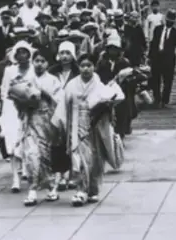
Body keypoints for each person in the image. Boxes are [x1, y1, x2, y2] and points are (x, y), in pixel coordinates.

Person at [51, 53, 125, 207]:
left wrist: (106, 105)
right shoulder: (72, 84)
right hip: (77, 125)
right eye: (82, 65)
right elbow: (64, 104)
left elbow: (113, 99)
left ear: (94, 67)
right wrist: (61, 124)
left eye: (89, 65)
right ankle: (81, 189)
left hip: (96, 126)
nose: (85, 69)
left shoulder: (99, 84)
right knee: (81, 157)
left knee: (97, 158)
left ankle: (94, 189)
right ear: (78, 67)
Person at [18, 51, 64, 206]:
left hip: (48, 121)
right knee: (32, 155)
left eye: (42, 61)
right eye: (36, 60)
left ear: (47, 64)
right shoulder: (26, 80)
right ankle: (32, 189)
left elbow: (59, 100)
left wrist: (45, 94)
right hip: (31, 120)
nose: (39, 64)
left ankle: (52, 187)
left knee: (48, 155)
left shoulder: (53, 80)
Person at [0, 40, 37, 193]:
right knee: (13, 143)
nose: (22, 55)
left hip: (30, 110)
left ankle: (29, 171)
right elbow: (4, 90)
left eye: (25, 52)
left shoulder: (34, 70)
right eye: (19, 53)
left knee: (29, 142)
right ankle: (15, 177)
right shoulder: (9, 71)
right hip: (13, 109)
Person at [46, 41, 80, 192]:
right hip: (54, 111)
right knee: (56, 142)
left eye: (68, 53)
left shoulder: (78, 72)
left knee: (72, 142)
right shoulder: (51, 72)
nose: (65, 57)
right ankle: (59, 173)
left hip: (73, 110)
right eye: (62, 53)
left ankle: (72, 173)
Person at [148, 9, 176, 108]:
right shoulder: (158, 29)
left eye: (172, 22)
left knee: (168, 81)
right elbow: (153, 43)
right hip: (157, 58)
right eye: (168, 20)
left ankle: (165, 100)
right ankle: (157, 98)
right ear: (165, 20)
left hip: (168, 60)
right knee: (155, 80)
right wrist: (149, 56)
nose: (170, 23)